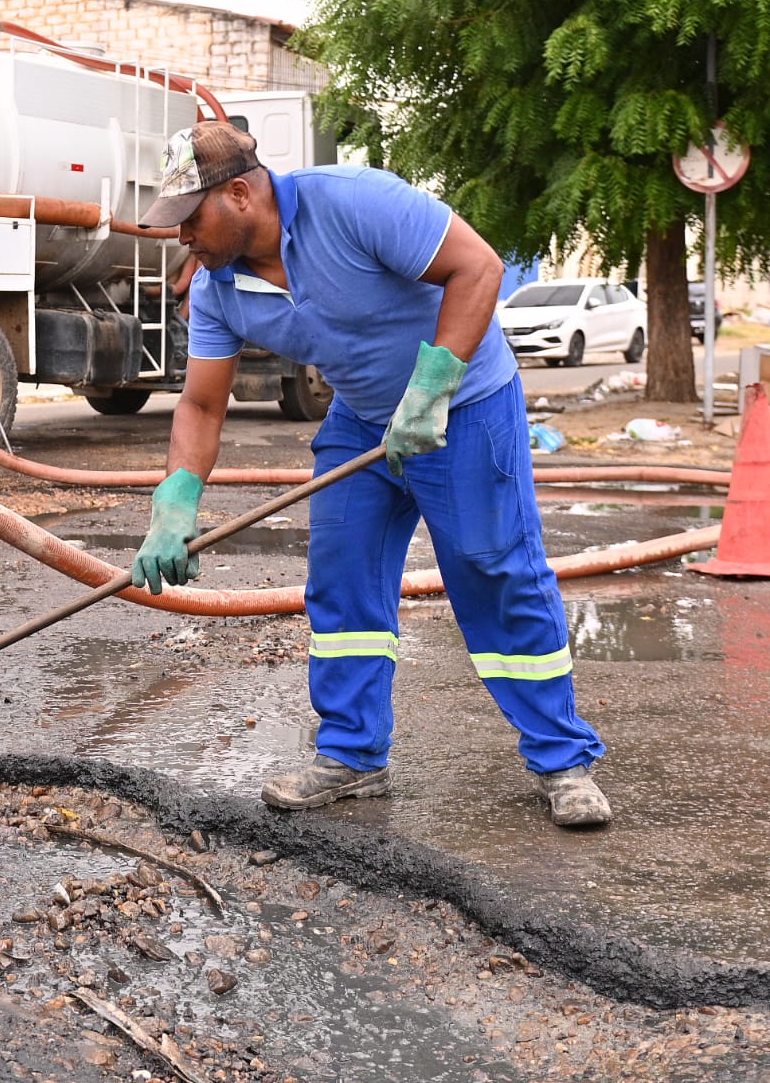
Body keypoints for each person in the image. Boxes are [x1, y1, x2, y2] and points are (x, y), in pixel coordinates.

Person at [130, 122, 610, 827]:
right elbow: (201, 405)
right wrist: (175, 500)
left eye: (190, 219)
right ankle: (353, 754)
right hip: (361, 418)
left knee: (493, 568)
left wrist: (434, 383)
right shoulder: (217, 290)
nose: (182, 239)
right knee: (342, 574)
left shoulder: (353, 202)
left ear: (239, 193)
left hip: (465, 402)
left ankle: (562, 758)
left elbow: (478, 268)